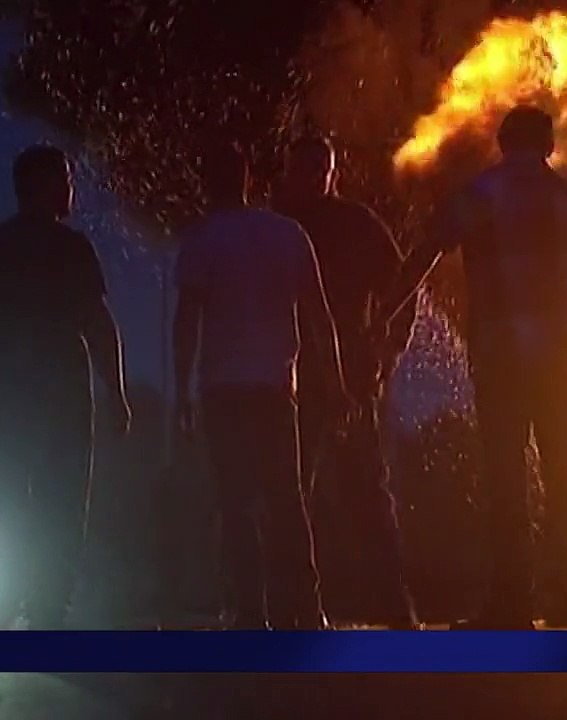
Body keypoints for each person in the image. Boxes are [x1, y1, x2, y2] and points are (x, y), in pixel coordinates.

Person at [377, 105, 567, 629]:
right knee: (560, 473)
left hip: (499, 353)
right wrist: (555, 297)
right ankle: (565, 600)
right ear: (549, 146)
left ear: (503, 144)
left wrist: (386, 313)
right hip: (556, 356)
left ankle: (511, 602)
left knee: (506, 475)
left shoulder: (480, 195)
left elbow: (426, 254)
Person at [173, 143, 349, 630]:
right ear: (248, 180)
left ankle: (252, 611)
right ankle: (307, 608)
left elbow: (187, 319)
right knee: (286, 498)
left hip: (222, 389)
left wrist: (181, 388)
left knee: (235, 501)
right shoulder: (286, 233)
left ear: (208, 182)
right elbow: (319, 314)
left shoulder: (202, 240)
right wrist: (334, 383)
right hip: (275, 387)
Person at [0, 145, 132, 629]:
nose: (71, 189)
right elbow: (98, 324)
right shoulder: (71, 248)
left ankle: (7, 597)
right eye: (65, 179)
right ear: (44, 185)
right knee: (63, 500)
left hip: (10, 393)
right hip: (64, 393)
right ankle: (49, 606)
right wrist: (114, 392)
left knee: (11, 497)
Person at [271, 136, 418, 628]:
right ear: (291, 170)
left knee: (364, 494)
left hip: (349, 378)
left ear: (330, 172)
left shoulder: (354, 224)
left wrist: (389, 349)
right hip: (292, 376)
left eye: (319, 167)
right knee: (295, 493)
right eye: (303, 166)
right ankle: (300, 608)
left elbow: (401, 288)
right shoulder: (281, 226)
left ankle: (393, 608)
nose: (311, 176)